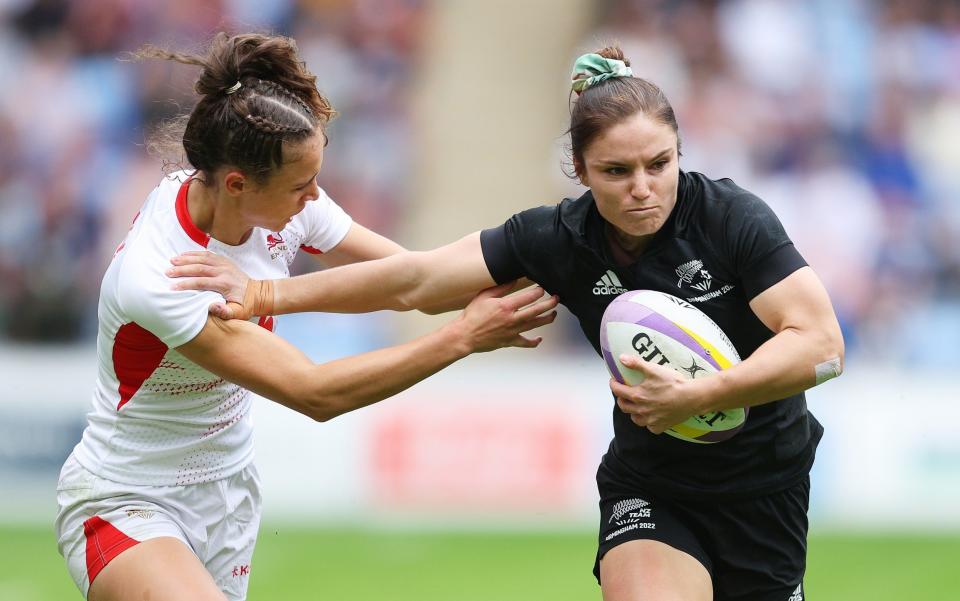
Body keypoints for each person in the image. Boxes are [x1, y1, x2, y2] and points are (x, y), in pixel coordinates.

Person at [171, 46, 845, 601]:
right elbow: (417, 280)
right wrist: (262, 292)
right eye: (616, 170)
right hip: (654, 487)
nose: (643, 185)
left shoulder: (733, 219)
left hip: (767, 487)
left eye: (659, 164)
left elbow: (821, 345)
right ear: (579, 170)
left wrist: (702, 395)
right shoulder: (556, 237)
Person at [55, 32, 558, 601]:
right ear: (239, 185)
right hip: (127, 501)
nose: (315, 196)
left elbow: (414, 280)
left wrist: (552, 260)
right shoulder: (165, 275)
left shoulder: (281, 200)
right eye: (302, 185)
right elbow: (315, 392)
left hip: (227, 496)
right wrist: (463, 337)